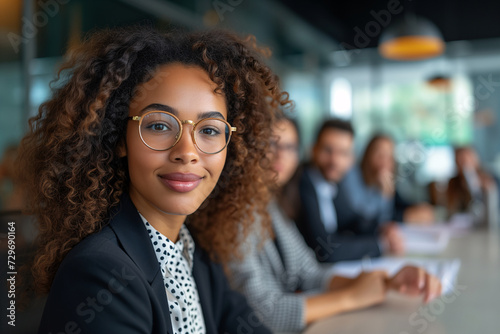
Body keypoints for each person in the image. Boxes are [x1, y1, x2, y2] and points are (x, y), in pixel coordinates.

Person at [16, 26, 289, 334]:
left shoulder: (196, 252)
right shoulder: (99, 274)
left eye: (209, 130)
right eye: (159, 126)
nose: (187, 152)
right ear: (120, 139)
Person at [228, 117, 442, 333]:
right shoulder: (234, 213)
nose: (280, 154)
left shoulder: (272, 206)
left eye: (290, 147)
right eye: (271, 143)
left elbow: (309, 271)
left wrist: (387, 283)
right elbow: (264, 313)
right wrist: (351, 297)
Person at [296, 119, 402, 263]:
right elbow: (326, 250)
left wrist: (381, 229)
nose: (335, 161)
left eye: (343, 153)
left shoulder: (332, 183)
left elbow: (351, 221)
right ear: (313, 150)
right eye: (327, 150)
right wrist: (379, 245)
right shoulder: (302, 184)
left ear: (351, 158)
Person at [335, 134, 435, 230]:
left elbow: (399, 203)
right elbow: (365, 219)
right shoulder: (351, 175)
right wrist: (386, 198)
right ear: (367, 154)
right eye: (379, 154)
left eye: (389, 156)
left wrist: (417, 209)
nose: (384, 161)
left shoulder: (384, 180)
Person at [446, 146, 498, 222]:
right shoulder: (453, 182)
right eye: (461, 159)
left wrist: (487, 189)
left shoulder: (489, 177)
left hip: (488, 221)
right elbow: (452, 208)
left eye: (468, 158)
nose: (465, 162)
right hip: (464, 223)